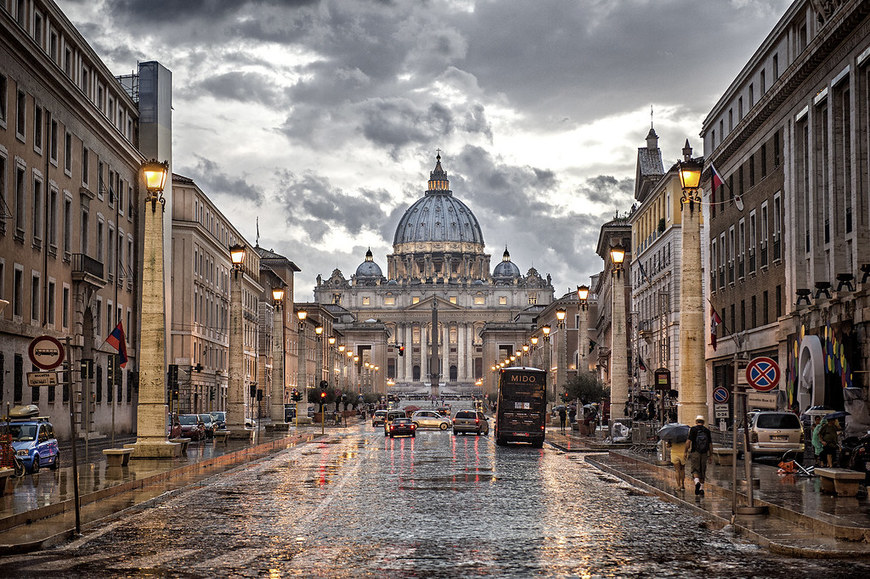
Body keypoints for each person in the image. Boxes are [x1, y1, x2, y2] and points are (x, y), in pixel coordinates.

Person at [686, 415, 712, 496]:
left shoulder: (693, 429)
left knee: (695, 470)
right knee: (702, 470)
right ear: (703, 422)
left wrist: (685, 451)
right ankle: (701, 489)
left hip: (695, 452)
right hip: (704, 453)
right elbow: (710, 444)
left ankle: (697, 482)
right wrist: (710, 455)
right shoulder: (707, 431)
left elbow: (688, 442)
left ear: (696, 421)